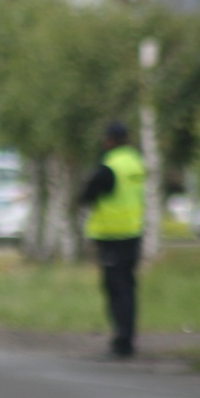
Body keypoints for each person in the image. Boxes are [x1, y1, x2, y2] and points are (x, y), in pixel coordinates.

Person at [79, 121, 146, 359]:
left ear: (109, 140)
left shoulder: (110, 167)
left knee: (116, 290)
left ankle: (122, 342)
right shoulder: (136, 162)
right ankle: (127, 337)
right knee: (128, 287)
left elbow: (87, 194)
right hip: (134, 233)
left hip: (112, 236)